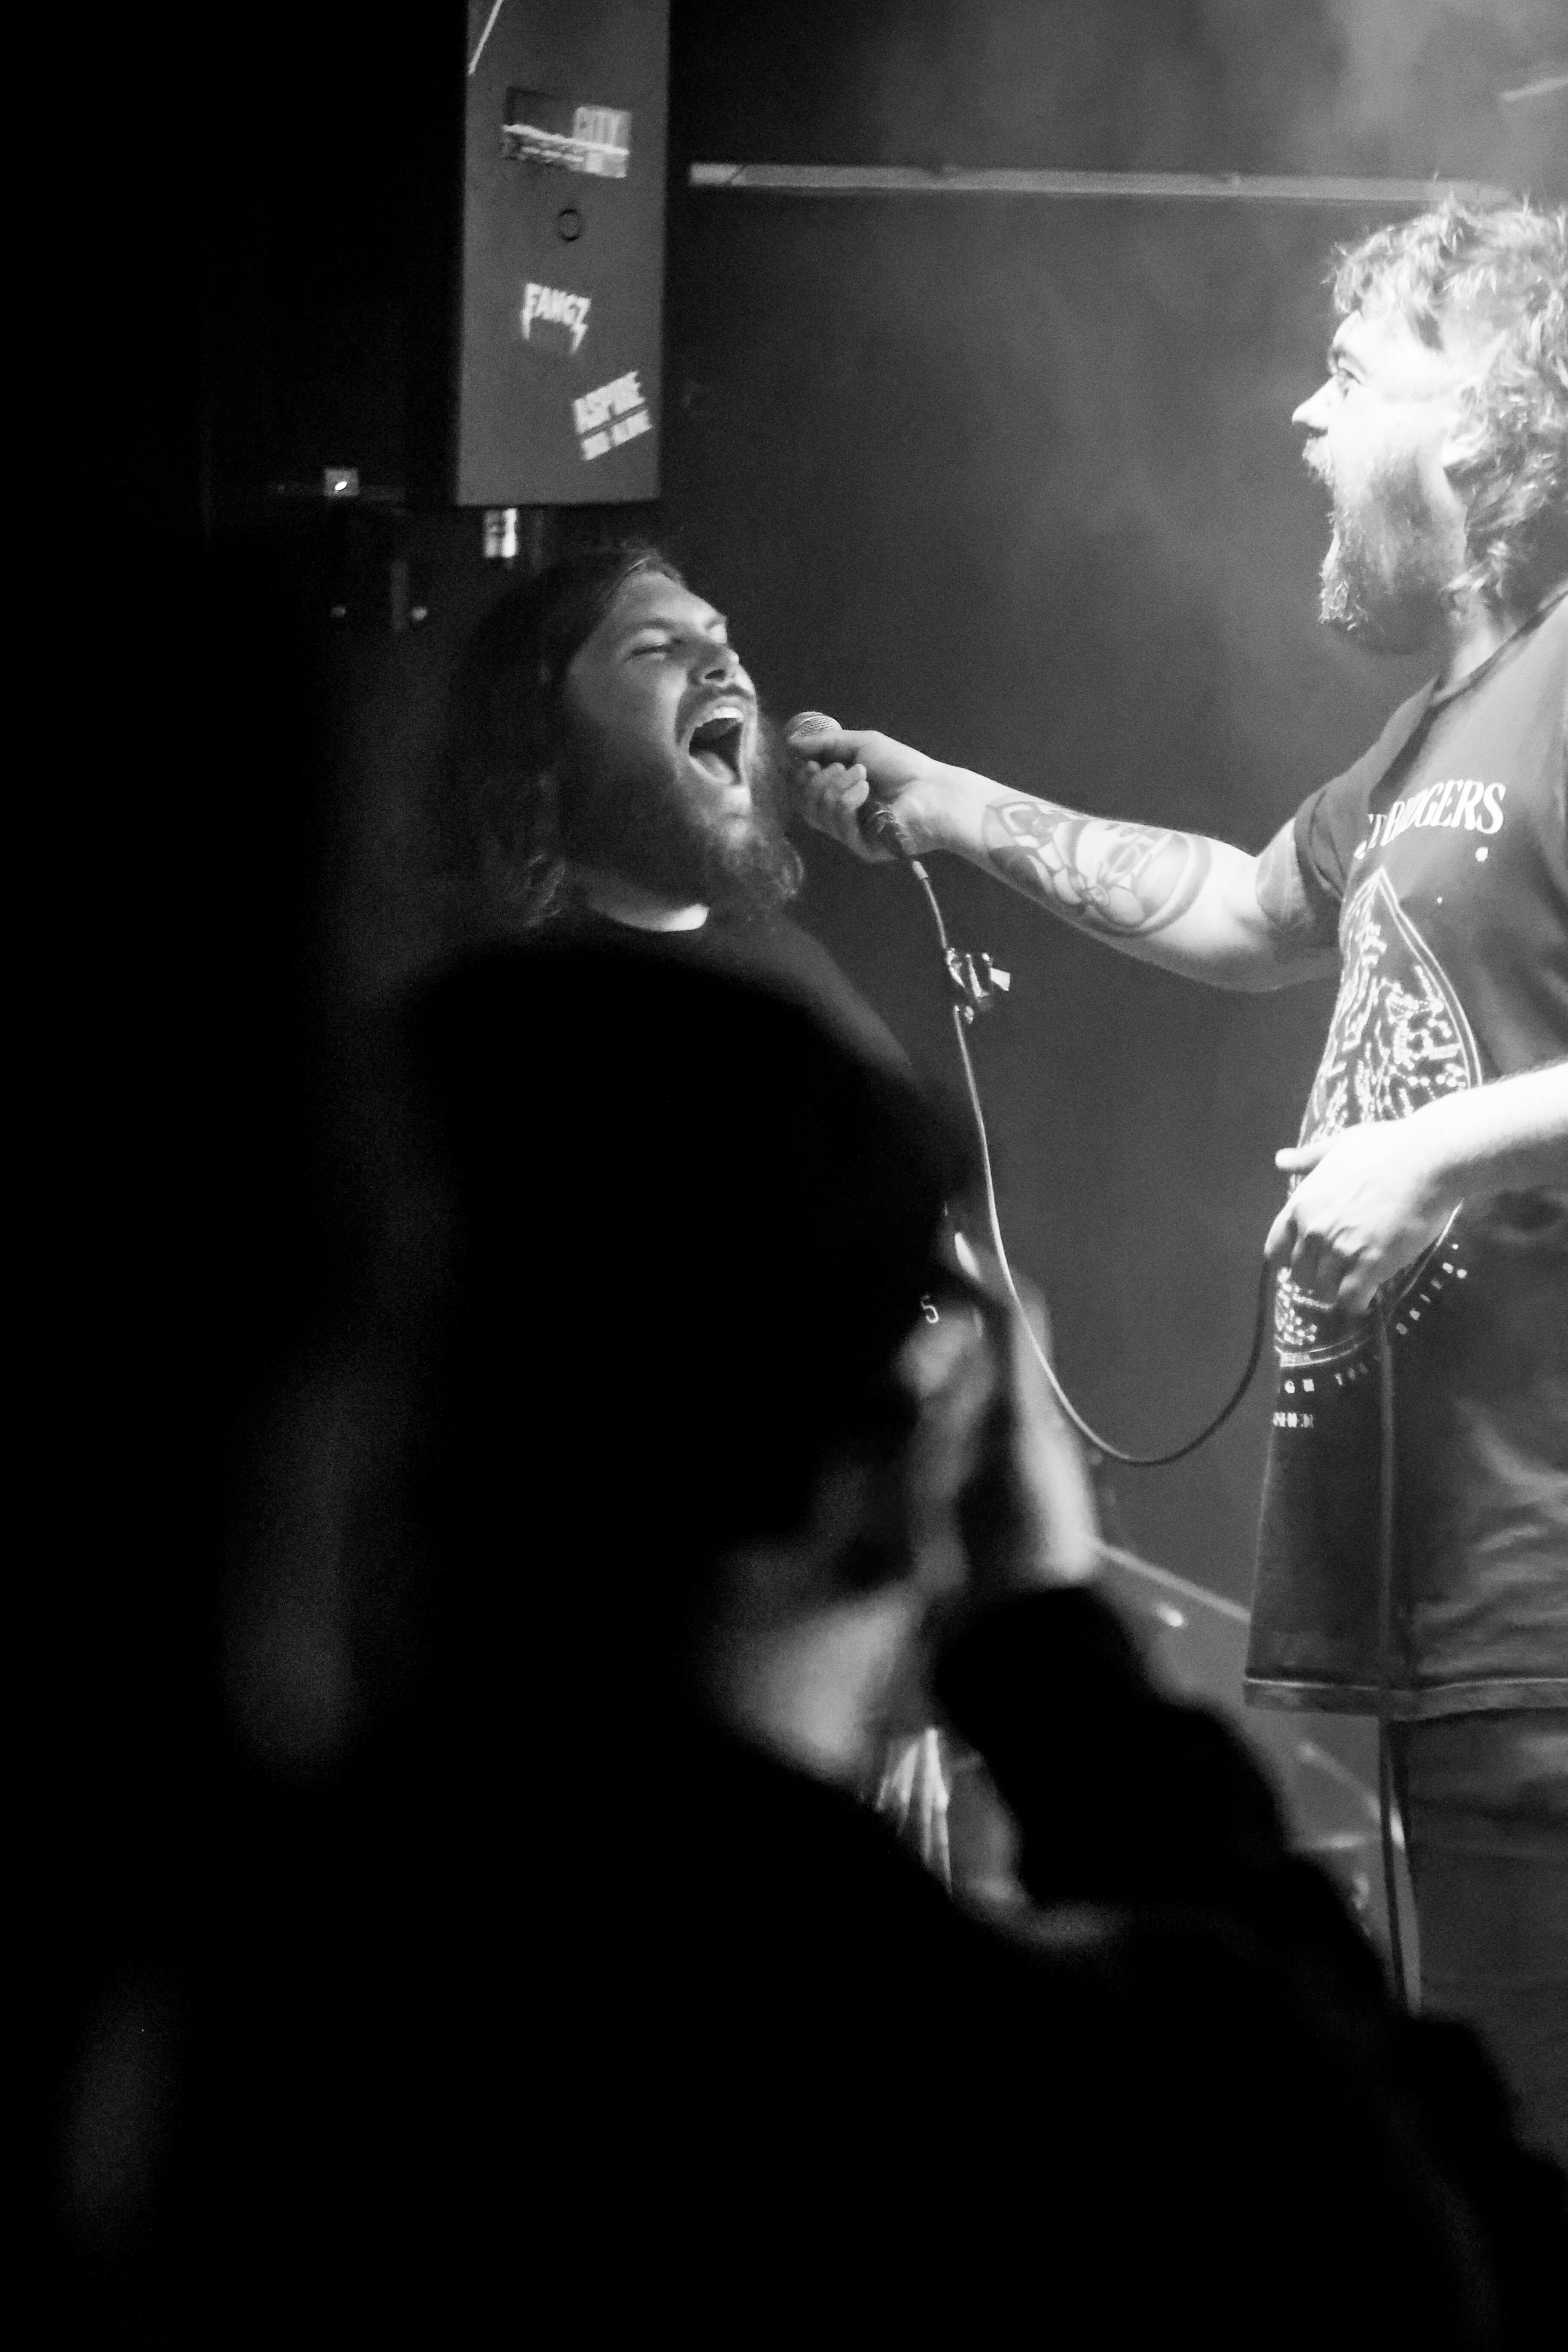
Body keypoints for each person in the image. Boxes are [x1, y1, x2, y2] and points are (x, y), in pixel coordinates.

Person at [64, 945, 1562, 2340]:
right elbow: (1463, 2276)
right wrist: (1053, 1661)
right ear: (919, 1442)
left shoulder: (203, 2047)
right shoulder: (1066, 2094)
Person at [793, 195, 1568, 2162]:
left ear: (1482, 425)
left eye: (1348, 375)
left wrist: (1430, 1149)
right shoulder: (1422, 742)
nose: (1299, 423)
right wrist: (954, 801)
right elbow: (1234, 906)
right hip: (1444, 1603)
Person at [439, 538, 905, 1068]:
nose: (725, 661)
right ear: (542, 728)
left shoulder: (793, 975)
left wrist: (956, 815)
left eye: (722, 639)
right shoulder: (496, 1033)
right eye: (656, 647)